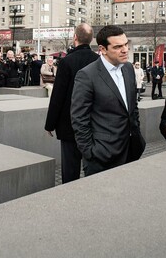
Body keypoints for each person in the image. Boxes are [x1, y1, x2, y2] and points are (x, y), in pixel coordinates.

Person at [71, 25, 145, 176]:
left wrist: (137, 135)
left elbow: (132, 108)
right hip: (101, 156)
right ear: (103, 49)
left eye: (125, 44)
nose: (125, 49)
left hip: (131, 149)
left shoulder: (128, 69)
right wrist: (90, 153)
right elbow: (79, 118)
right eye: (118, 46)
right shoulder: (87, 75)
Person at [45, 23, 99, 183]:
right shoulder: (99, 61)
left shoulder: (66, 62)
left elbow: (58, 96)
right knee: (93, 167)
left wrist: (50, 124)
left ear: (75, 37)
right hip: (93, 123)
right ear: (91, 40)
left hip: (69, 124)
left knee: (69, 169)